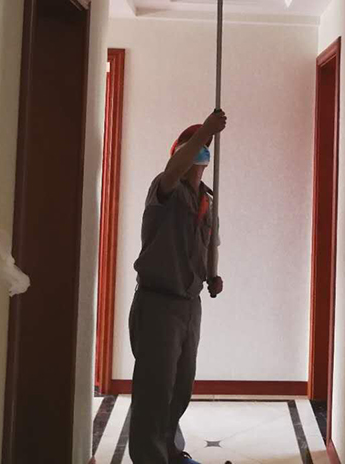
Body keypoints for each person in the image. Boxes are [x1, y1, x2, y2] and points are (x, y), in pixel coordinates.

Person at [128, 109, 228, 464]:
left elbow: (209, 244)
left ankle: (170, 453)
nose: (201, 150)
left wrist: (212, 275)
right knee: (155, 391)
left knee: (180, 389)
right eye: (192, 146)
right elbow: (174, 169)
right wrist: (206, 129)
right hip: (159, 304)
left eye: (204, 146)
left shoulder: (207, 201)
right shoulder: (165, 188)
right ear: (178, 153)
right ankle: (149, 458)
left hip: (189, 305)